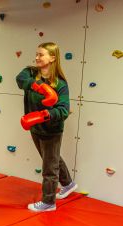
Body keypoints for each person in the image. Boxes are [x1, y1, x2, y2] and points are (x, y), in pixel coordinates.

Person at [16, 42, 78, 212]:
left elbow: (63, 110)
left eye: (41, 54)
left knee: (49, 167)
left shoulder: (60, 84)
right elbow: (19, 80)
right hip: (35, 128)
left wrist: (45, 115)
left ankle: (48, 202)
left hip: (51, 130)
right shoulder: (30, 72)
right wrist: (39, 87)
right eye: (36, 54)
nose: (37, 57)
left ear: (52, 57)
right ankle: (69, 184)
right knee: (52, 158)